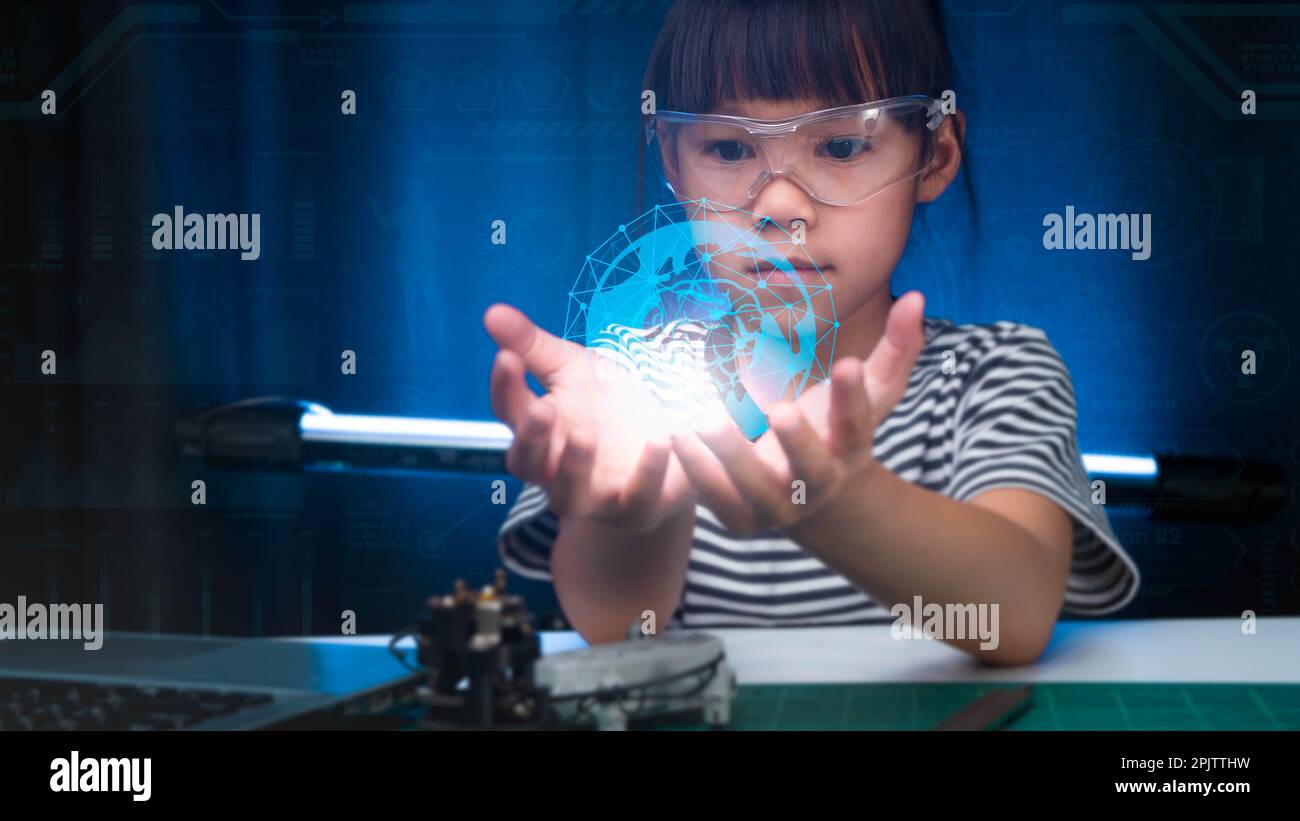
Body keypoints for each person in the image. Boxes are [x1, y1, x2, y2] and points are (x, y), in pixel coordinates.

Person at [483, 0, 1138, 665]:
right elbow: (616, 626)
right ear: (674, 164)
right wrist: (638, 514)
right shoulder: (630, 382)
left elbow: (1016, 616)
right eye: (731, 148)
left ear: (934, 155)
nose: (780, 205)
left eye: (844, 145)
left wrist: (833, 498)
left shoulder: (995, 373)